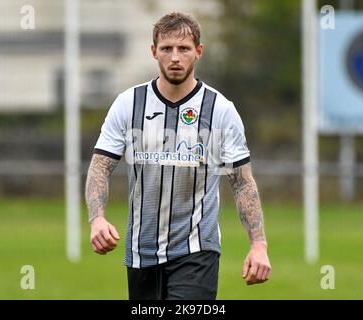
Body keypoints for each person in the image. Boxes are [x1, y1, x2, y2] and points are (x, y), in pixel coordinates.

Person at [85, 12, 271, 300]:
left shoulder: (219, 109)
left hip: (197, 250)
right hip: (141, 252)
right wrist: (97, 219)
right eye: (166, 48)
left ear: (198, 52)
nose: (175, 57)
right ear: (153, 52)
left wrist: (258, 245)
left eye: (183, 49)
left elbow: (242, 182)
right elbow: (100, 167)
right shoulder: (128, 104)